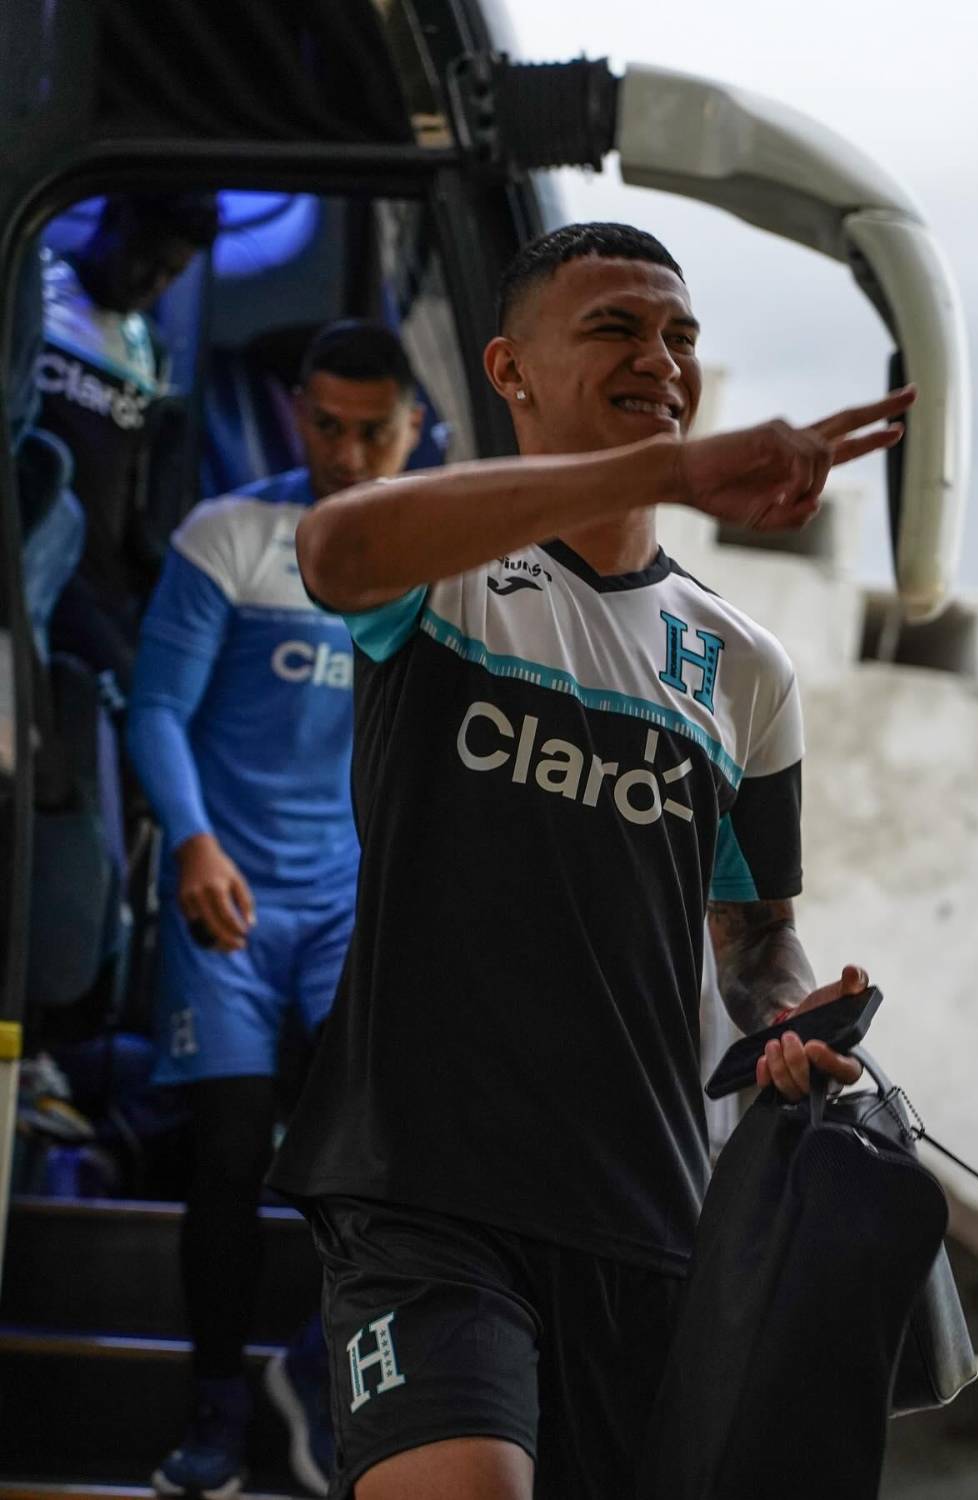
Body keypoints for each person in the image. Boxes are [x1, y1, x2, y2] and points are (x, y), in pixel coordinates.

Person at [266, 222, 915, 1500]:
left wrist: (792, 1020)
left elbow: (756, 931)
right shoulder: (441, 570)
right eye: (615, 327)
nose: (659, 357)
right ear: (507, 371)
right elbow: (336, 552)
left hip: (647, 1209)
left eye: (679, 334)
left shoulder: (744, 666)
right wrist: (671, 468)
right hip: (420, 1187)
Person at [126, 321, 424, 1499]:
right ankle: (212, 1420)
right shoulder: (232, 537)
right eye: (327, 426)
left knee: (378, 1164)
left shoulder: (448, 558)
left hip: (354, 903)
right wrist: (191, 844)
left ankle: (332, 1392)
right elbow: (154, 709)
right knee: (233, 1150)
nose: (348, 454)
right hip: (230, 898)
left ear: (418, 427)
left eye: (375, 431)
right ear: (298, 413)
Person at [39, 192, 220, 696]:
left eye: (171, 274)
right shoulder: (34, 293)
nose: (152, 284)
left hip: (98, 587)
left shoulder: (148, 351)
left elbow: (134, 494)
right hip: (28, 558)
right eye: (146, 258)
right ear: (115, 219)